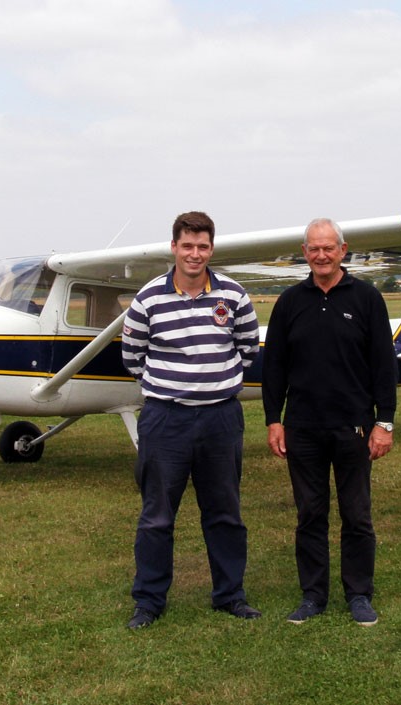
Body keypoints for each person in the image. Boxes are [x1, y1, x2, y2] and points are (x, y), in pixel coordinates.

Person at [121, 211, 262, 629]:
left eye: (202, 246)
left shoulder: (234, 296)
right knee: (157, 515)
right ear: (174, 248)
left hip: (221, 418)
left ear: (211, 249)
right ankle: (148, 601)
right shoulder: (148, 299)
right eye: (187, 245)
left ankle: (230, 595)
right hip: (166, 420)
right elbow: (133, 358)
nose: (195, 254)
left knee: (225, 513)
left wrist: (212, 382)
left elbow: (247, 349)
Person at [261, 217, 397, 627]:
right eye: (313, 249)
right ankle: (313, 595)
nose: (321, 255)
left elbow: (383, 366)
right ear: (305, 253)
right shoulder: (289, 302)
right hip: (303, 429)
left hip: (354, 428)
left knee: (357, 515)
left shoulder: (368, 298)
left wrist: (384, 422)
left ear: (343, 250)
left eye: (328, 248)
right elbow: (275, 368)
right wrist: (274, 420)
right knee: (310, 514)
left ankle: (359, 595)